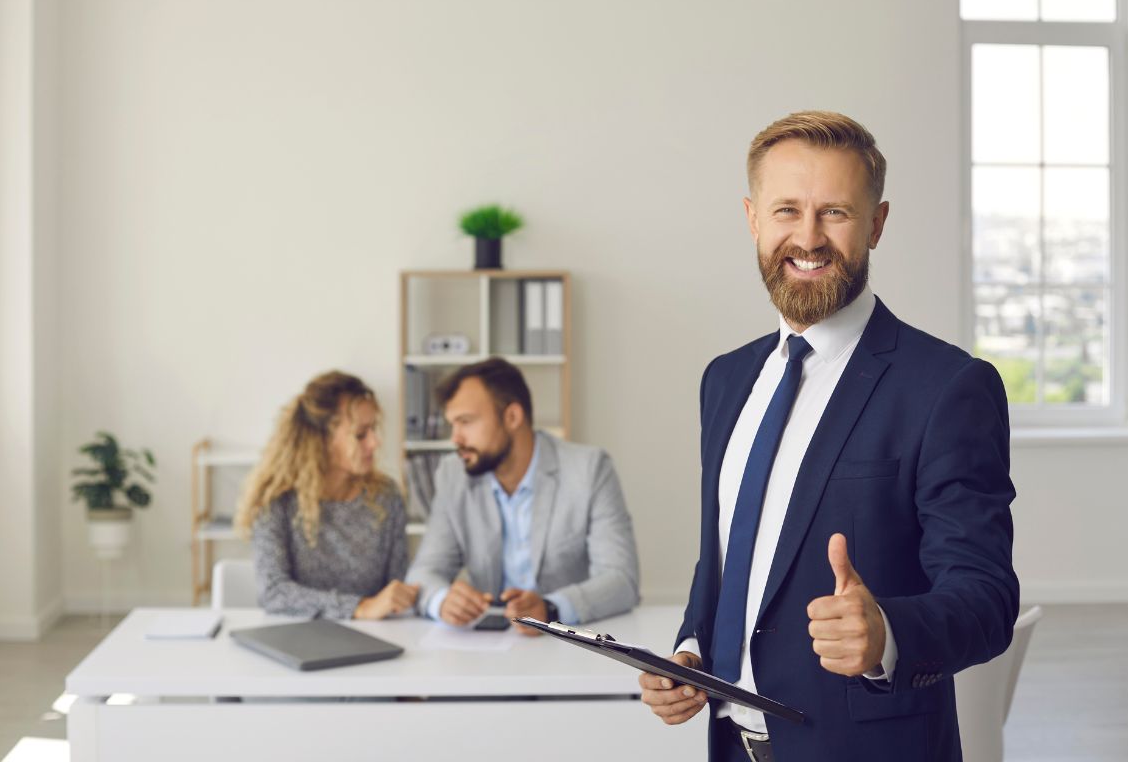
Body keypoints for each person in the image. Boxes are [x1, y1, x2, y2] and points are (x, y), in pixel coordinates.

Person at [638, 111, 1019, 761]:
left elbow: (986, 599)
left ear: (876, 223)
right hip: (732, 745)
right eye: (787, 210)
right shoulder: (725, 380)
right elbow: (729, 556)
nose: (808, 238)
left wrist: (887, 633)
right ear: (753, 217)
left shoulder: (948, 387)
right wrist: (692, 650)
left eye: (835, 213)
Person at [407, 357, 639, 634]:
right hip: (485, 648)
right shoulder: (452, 474)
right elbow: (423, 572)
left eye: (465, 422)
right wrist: (441, 600)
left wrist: (550, 609)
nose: (455, 439)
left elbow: (621, 579)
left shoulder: (589, 469)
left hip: (568, 646)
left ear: (512, 417)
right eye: (451, 425)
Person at [235, 371, 419, 619]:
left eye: (373, 429)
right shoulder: (275, 499)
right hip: (297, 639)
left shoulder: (387, 497)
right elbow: (274, 592)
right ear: (320, 439)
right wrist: (359, 607)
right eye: (361, 434)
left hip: (373, 638)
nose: (375, 442)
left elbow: (396, 588)